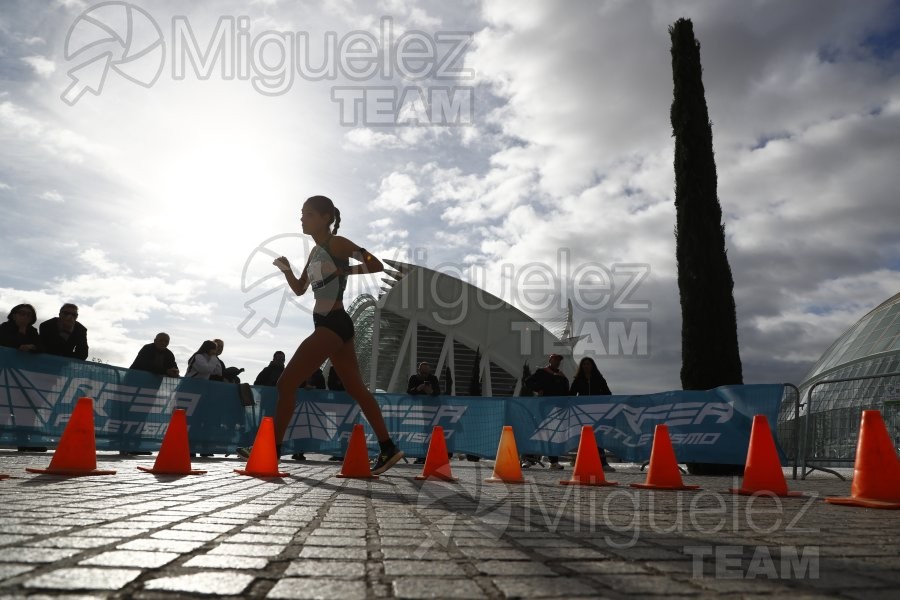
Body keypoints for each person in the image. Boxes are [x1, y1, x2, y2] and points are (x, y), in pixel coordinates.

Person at [238, 195, 403, 474]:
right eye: (301, 214)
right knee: (357, 391)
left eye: (309, 214)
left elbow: (375, 264)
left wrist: (345, 269)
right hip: (329, 325)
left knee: (286, 383)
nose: (302, 218)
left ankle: (271, 449)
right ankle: (388, 448)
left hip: (333, 323)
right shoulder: (314, 253)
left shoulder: (336, 243)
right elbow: (301, 288)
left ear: (326, 218)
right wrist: (287, 269)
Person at [524, 353, 570, 470]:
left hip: (556, 411)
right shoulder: (541, 372)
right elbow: (528, 381)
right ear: (550, 360)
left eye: (559, 360)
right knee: (536, 432)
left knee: (552, 434)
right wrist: (537, 388)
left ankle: (553, 461)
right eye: (555, 359)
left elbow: (567, 394)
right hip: (541, 408)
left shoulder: (563, 377)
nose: (557, 362)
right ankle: (528, 459)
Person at [570, 356, 615, 472]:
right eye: (584, 364)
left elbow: (608, 394)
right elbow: (571, 395)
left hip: (597, 413)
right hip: (582, 413)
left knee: (598, 437)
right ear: (581, 366)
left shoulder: (599, 379)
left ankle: (604, 463)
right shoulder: (577, 379)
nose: (586, 366)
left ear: (592, 366)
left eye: (588, 364)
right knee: (583, 438)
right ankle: (581, 462)